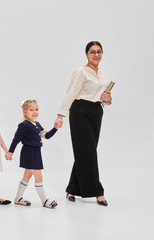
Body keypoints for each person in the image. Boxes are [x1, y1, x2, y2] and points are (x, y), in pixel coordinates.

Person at [54, 41, 112, 206]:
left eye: (99, 52)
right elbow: (70, 93)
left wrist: (107, 99)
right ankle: (98, 192)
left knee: (86, 151)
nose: (96, 55)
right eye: (92, 52)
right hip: (80, 111)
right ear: (86, 54)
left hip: (96, 110)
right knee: (88, 153)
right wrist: (61, 115)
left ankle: (72, 189)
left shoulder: (103, 73)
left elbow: (102, 96)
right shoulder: (80, 72)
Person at [5, 100, 59, 208]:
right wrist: (10, 152)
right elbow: (16, 139)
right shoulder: (23, 125)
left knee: (27, 176)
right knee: (38, 175)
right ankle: (44, 200)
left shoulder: (37, 124)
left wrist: (55, 128)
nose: (34, 112)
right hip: (29, 152)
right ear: (24, 112)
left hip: (36, 152)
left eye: (36, 109)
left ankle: (18, 198)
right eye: (31, 110)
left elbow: (46, 136)